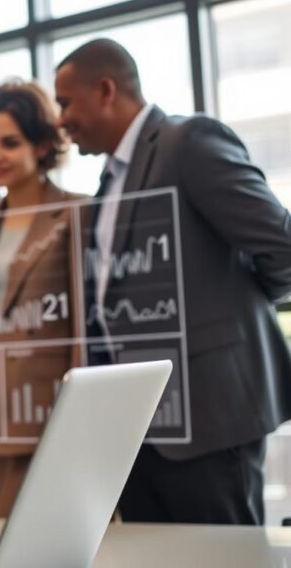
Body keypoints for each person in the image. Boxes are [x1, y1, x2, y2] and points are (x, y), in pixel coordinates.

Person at [54, 38, 291, 524]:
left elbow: (281, 244)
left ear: (105, 90)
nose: (60, 120)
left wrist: (237, 305)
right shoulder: (108, 181)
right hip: (138, 429)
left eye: (65, 102)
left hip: (209, 417)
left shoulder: (189, 142)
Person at [0, 80, 85, 517]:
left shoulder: (77, 213)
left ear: (43, 144)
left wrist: (81, 417)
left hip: (53, 415)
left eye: (9, 142)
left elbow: (84, 325)